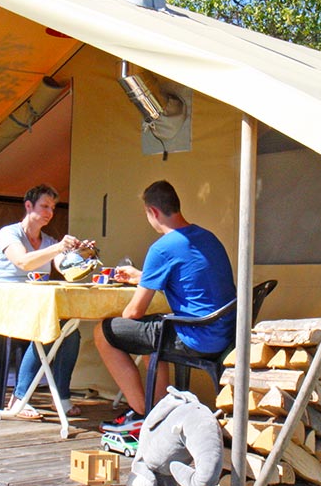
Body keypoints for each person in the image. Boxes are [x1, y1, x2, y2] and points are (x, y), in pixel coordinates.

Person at [95, 180, 235, 435]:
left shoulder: (162, 247)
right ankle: (159, 408)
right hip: (225, 333)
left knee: (104, 332)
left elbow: (134, 313)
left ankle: (142, 414)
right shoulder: (207, 237)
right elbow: (191, 278)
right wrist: (142, 276)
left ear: (154, 212)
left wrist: (123, 313)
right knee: (151, 332)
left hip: (196, 338)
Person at [0, 183, 93, 419]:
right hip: (9, 303)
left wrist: (82, 256)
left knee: (71, 330)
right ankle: (19, 398)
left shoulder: (48, 241)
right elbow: (23, 262)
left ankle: (62, 397)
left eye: (53, 207)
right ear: (28, 206)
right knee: (50, 326)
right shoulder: (9, 234)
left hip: (37, 305)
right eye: (44, 206)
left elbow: (67, 269)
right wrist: (59, 247)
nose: (49, 212)